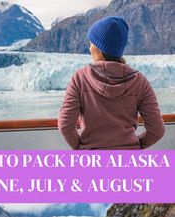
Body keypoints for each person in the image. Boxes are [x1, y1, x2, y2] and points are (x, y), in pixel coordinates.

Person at [58, 16, 165, 150]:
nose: (89, 47)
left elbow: (65, 125)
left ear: (99, 47)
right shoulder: (140, 82)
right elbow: (157, 129)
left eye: (91, 42)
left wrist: (80, 147)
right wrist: (135, 145)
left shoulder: (80, 78)